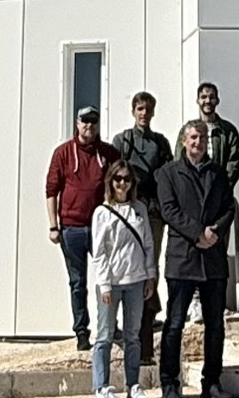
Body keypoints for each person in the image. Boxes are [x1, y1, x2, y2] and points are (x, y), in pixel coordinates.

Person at [160, 119, 236, 398]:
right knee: (174, 324)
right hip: (183, 259)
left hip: (213, 260)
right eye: (193, 137)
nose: (198, 142)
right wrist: (197, 233)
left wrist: (215, 230)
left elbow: (229, 207)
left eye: (202, 138)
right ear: (184, 141)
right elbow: (169, 210)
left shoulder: (218, 173)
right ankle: (170, 383)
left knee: (215, 326)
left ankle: (212, 382)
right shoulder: (168, 173)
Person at [48, 107, 124, 351]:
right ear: (77, 123)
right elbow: (51, 190)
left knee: (108, 279)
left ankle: (110, 326)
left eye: (93, 121)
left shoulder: (108, 153)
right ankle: (81, 331)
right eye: (84, 121)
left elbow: (121, 185)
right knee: (78, 282)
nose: (89, 125)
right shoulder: (63, 153)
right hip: (71, 228)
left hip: (101, 228)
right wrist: (53, 226)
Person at [89, 162, 157, 398]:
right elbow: (99, 251)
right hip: (111, 282)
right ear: (111, 181)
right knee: (105, 335)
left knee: (133, 336)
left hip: (136, 280)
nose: (122, 183)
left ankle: (133, 384)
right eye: (118, 179)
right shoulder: (102, 212)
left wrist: (150, 275)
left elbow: (148, 244)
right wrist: (104, 284)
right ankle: (101, 386)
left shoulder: (139, 209)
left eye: (127, 179)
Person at [114, 92, 175, 354]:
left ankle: (148, 314)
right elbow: (114, 176)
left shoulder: (160, 143)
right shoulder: (122, 140)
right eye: (140, 109)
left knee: (151, 263)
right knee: (127, 261)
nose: (144, 113)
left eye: (148, 109)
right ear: (133, 111)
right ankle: (127, 317)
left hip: (153, 212)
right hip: (128, 211)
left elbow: (167, 177)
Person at [196, 82, 239, 190]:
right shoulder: (189, 130)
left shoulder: (229, 131)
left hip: (221, 192)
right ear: (198, 101)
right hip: (194, 192)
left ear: (217, 101)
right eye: (203, 97)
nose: (208, 101)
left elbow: (234, 163)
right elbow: (180, 162)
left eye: (211, 97)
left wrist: (222, 189)